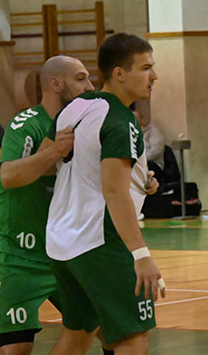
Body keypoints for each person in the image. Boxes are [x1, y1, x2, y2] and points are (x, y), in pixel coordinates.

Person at [46, 34, 166, 354]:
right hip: (99, 241)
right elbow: (113, 191)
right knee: (133, 338)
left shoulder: (75, 108)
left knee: (78, 334)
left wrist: (138, 178)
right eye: (145, 68)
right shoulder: (121, 119)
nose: (154, 76)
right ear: (119, 73)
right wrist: (141, 255)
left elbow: (58, 159)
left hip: (61, 242)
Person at [0, 56, 111, 355]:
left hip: (68, 253)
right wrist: (56, 151)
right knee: (16, 349)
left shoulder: (88, 127)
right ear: (55, 83)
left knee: (114, 334)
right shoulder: (26, 123)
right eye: (81, 78)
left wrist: (141, 180)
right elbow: (9, 176)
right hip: (19, 255)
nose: (90, 86)